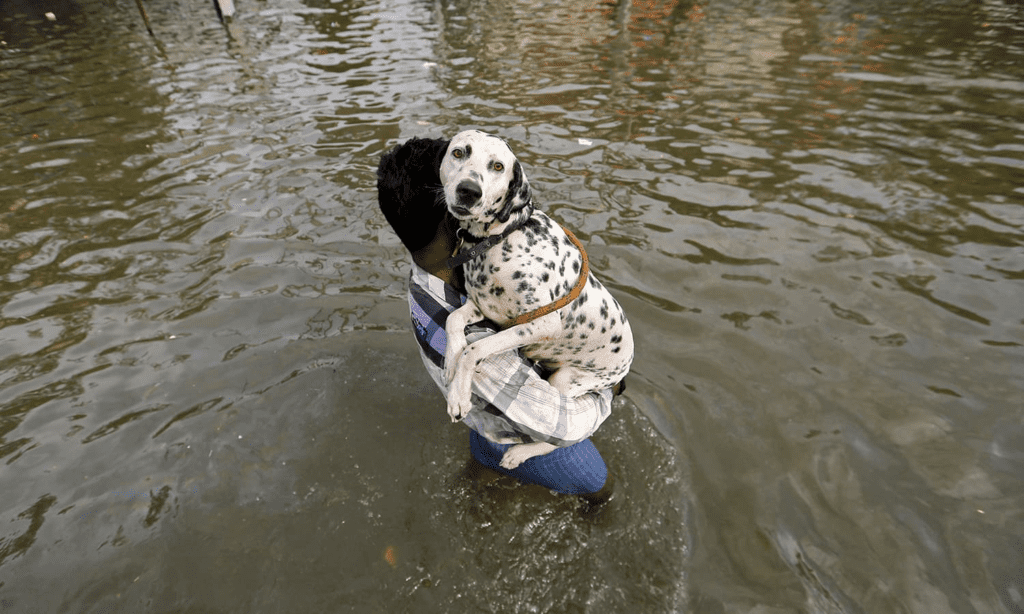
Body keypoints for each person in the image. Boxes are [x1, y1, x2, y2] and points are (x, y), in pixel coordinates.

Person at [377, 136, 617, 506]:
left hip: (482, 411)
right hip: (516, 422)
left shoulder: (432, 276)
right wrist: (607, 393)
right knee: (602, 490)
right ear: (455, 210)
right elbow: (559, 425)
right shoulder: (471, 339)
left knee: (482, 476)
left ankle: (475, 486)